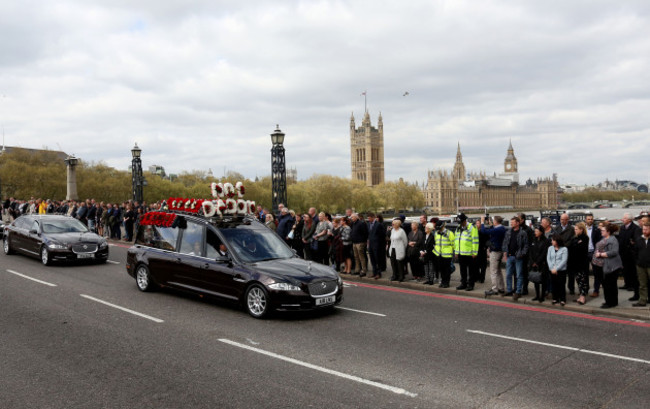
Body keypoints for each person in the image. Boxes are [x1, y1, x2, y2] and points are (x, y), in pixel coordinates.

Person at [595, 223, 623, 309]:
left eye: (603, 230)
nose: (601, 231)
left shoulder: (613, 240)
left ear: (608, 232)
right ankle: (609, 301)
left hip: (612, 266)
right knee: (607, 285)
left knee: (610, 285)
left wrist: (601, 254)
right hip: (606, 266)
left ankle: (611, 302)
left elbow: (614, 252)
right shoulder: (605, 239)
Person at [502, 216, 529, 300]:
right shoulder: (509, 232)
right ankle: (509, 290)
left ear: (517, 223)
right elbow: (505, 242)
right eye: (511, 222)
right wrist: (505, 252)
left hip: (518, 257)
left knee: (519, 275)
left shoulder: (523, 233)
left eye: (513, 222)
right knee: (508, 274)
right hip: (509, 256)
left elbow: (526, 245)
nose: (511, 224)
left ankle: (518, 292)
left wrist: (522, 254)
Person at [480, 215, 507, 296]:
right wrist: (491, 224)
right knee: (498, 271)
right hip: (499, 251)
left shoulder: (498, 229)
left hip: (495, 252)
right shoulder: (501, 228)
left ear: (496, 221)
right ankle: (501, 288)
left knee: (493, 271)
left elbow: (484, 231)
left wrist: (482, 222)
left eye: (493, 220)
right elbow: (492, 230)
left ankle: (494, 289)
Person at [618, 213, 641, 301]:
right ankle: (626, 283)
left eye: (624, 218)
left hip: (631, 253)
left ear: (629, 220)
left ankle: (631, 285)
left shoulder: (635, 228)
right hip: (623, 251)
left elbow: (635, 241)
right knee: (624, 269)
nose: (622, 219)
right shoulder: (622, 228)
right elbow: (620, 238)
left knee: (631, 269)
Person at [454, 213, 479, 291]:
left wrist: (474, 252)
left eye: (461, 222)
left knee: (471, 270)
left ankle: (471, 285)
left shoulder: (472, 228)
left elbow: (475, 240)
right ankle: (463, 283)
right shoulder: (458, 228)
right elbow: (456, 240)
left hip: (469, 253)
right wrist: (456, 251)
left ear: (464, 220)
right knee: (462, 270)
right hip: (461, 253)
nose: (460, 224)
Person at [568, 222, 589, 305]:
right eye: (575, 229)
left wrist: (576, 245)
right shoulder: (575, 238)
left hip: (582, 263)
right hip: (575, 263)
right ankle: (580, 296)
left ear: (581, 229)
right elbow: (571, 247)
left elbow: (581, 248)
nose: (575, 231)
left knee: (582, 280)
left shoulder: (585, 238)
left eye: (576, 229)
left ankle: (583, 297)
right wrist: (576, 244)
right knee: (578, 280)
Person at [529, 225, 550, 302]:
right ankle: (537, 295)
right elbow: (530, 251)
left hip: (542, 263)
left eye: (537, 231)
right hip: (534, 263)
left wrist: (537, 262)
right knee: (535, 279)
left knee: (543, 280)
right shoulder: (533, 240)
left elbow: (544, 253)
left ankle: (542, 296)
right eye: (535, 231)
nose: (535, 232)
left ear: (541, 232)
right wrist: (532, 262)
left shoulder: (546, 241)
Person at [632, 221, 650, 308]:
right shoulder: (639, 239)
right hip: (641, 265)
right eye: (643, 229)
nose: (644, 231)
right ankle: (642, 300)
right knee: (642, 284)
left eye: (646, 229)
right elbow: (635, 252)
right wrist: (637, 262)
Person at [547, 234, 568, 306]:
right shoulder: (550, 248)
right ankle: (555, 298)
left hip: (561, 270)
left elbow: (564, 260)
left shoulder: (564, 249)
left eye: (553, 240)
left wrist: (556, 269)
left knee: (561, 285)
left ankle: (562, 299)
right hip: (552, 270)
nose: (551, 241)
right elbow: (548, 259)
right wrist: (551, 268)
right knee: (554, 284)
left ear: (557, 241)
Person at [585, 214, 603, 297]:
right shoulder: (582, 229)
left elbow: (600, 241)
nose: (590, 220)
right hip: (584, 253)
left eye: (591, 219)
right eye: (588, 219)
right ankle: (585, 289)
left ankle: (596, 290)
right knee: (584, 273)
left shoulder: (597, 230)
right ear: (586, 220)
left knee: (596, 273)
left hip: (593, 252)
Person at [433, 220, 455, 288]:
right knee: (441, 269)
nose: (438, 230)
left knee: (447, 270)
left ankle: (446, 283)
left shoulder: (449, 233)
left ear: (443, 226)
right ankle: (442, 282)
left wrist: (454, 253)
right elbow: (436, 243)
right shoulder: (436, 233)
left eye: (439, 228)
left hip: (447, 254)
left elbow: (453, 244)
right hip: (439, 254)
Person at [367, 213, 386, 279]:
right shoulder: (369, 224)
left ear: (373, 217)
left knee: (378, 260)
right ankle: (374, 272)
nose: (368, 219)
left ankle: (379, 273)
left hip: (377, 245)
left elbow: (382, 235)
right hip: (371, 245)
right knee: (372, 260)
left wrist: (379, 244)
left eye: (369, 218)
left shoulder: (378, 225)